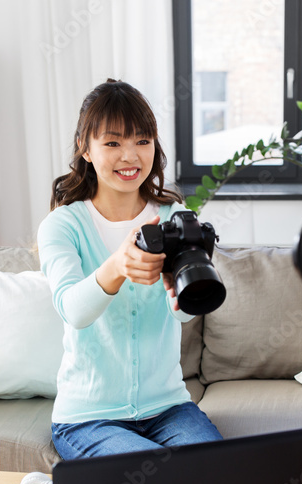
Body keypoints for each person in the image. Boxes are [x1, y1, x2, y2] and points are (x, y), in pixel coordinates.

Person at [37, 79, 223, 460]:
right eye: (112, 143)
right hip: (88, 418)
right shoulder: (63, 225)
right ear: (84, 148)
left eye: (142, 140)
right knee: (154, 481)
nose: (130, 156)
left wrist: (180, 295)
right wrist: (118, 265)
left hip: (168, 408)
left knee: (217, 474)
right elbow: (73, 310)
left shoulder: (174, 217)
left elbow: (184, 315)